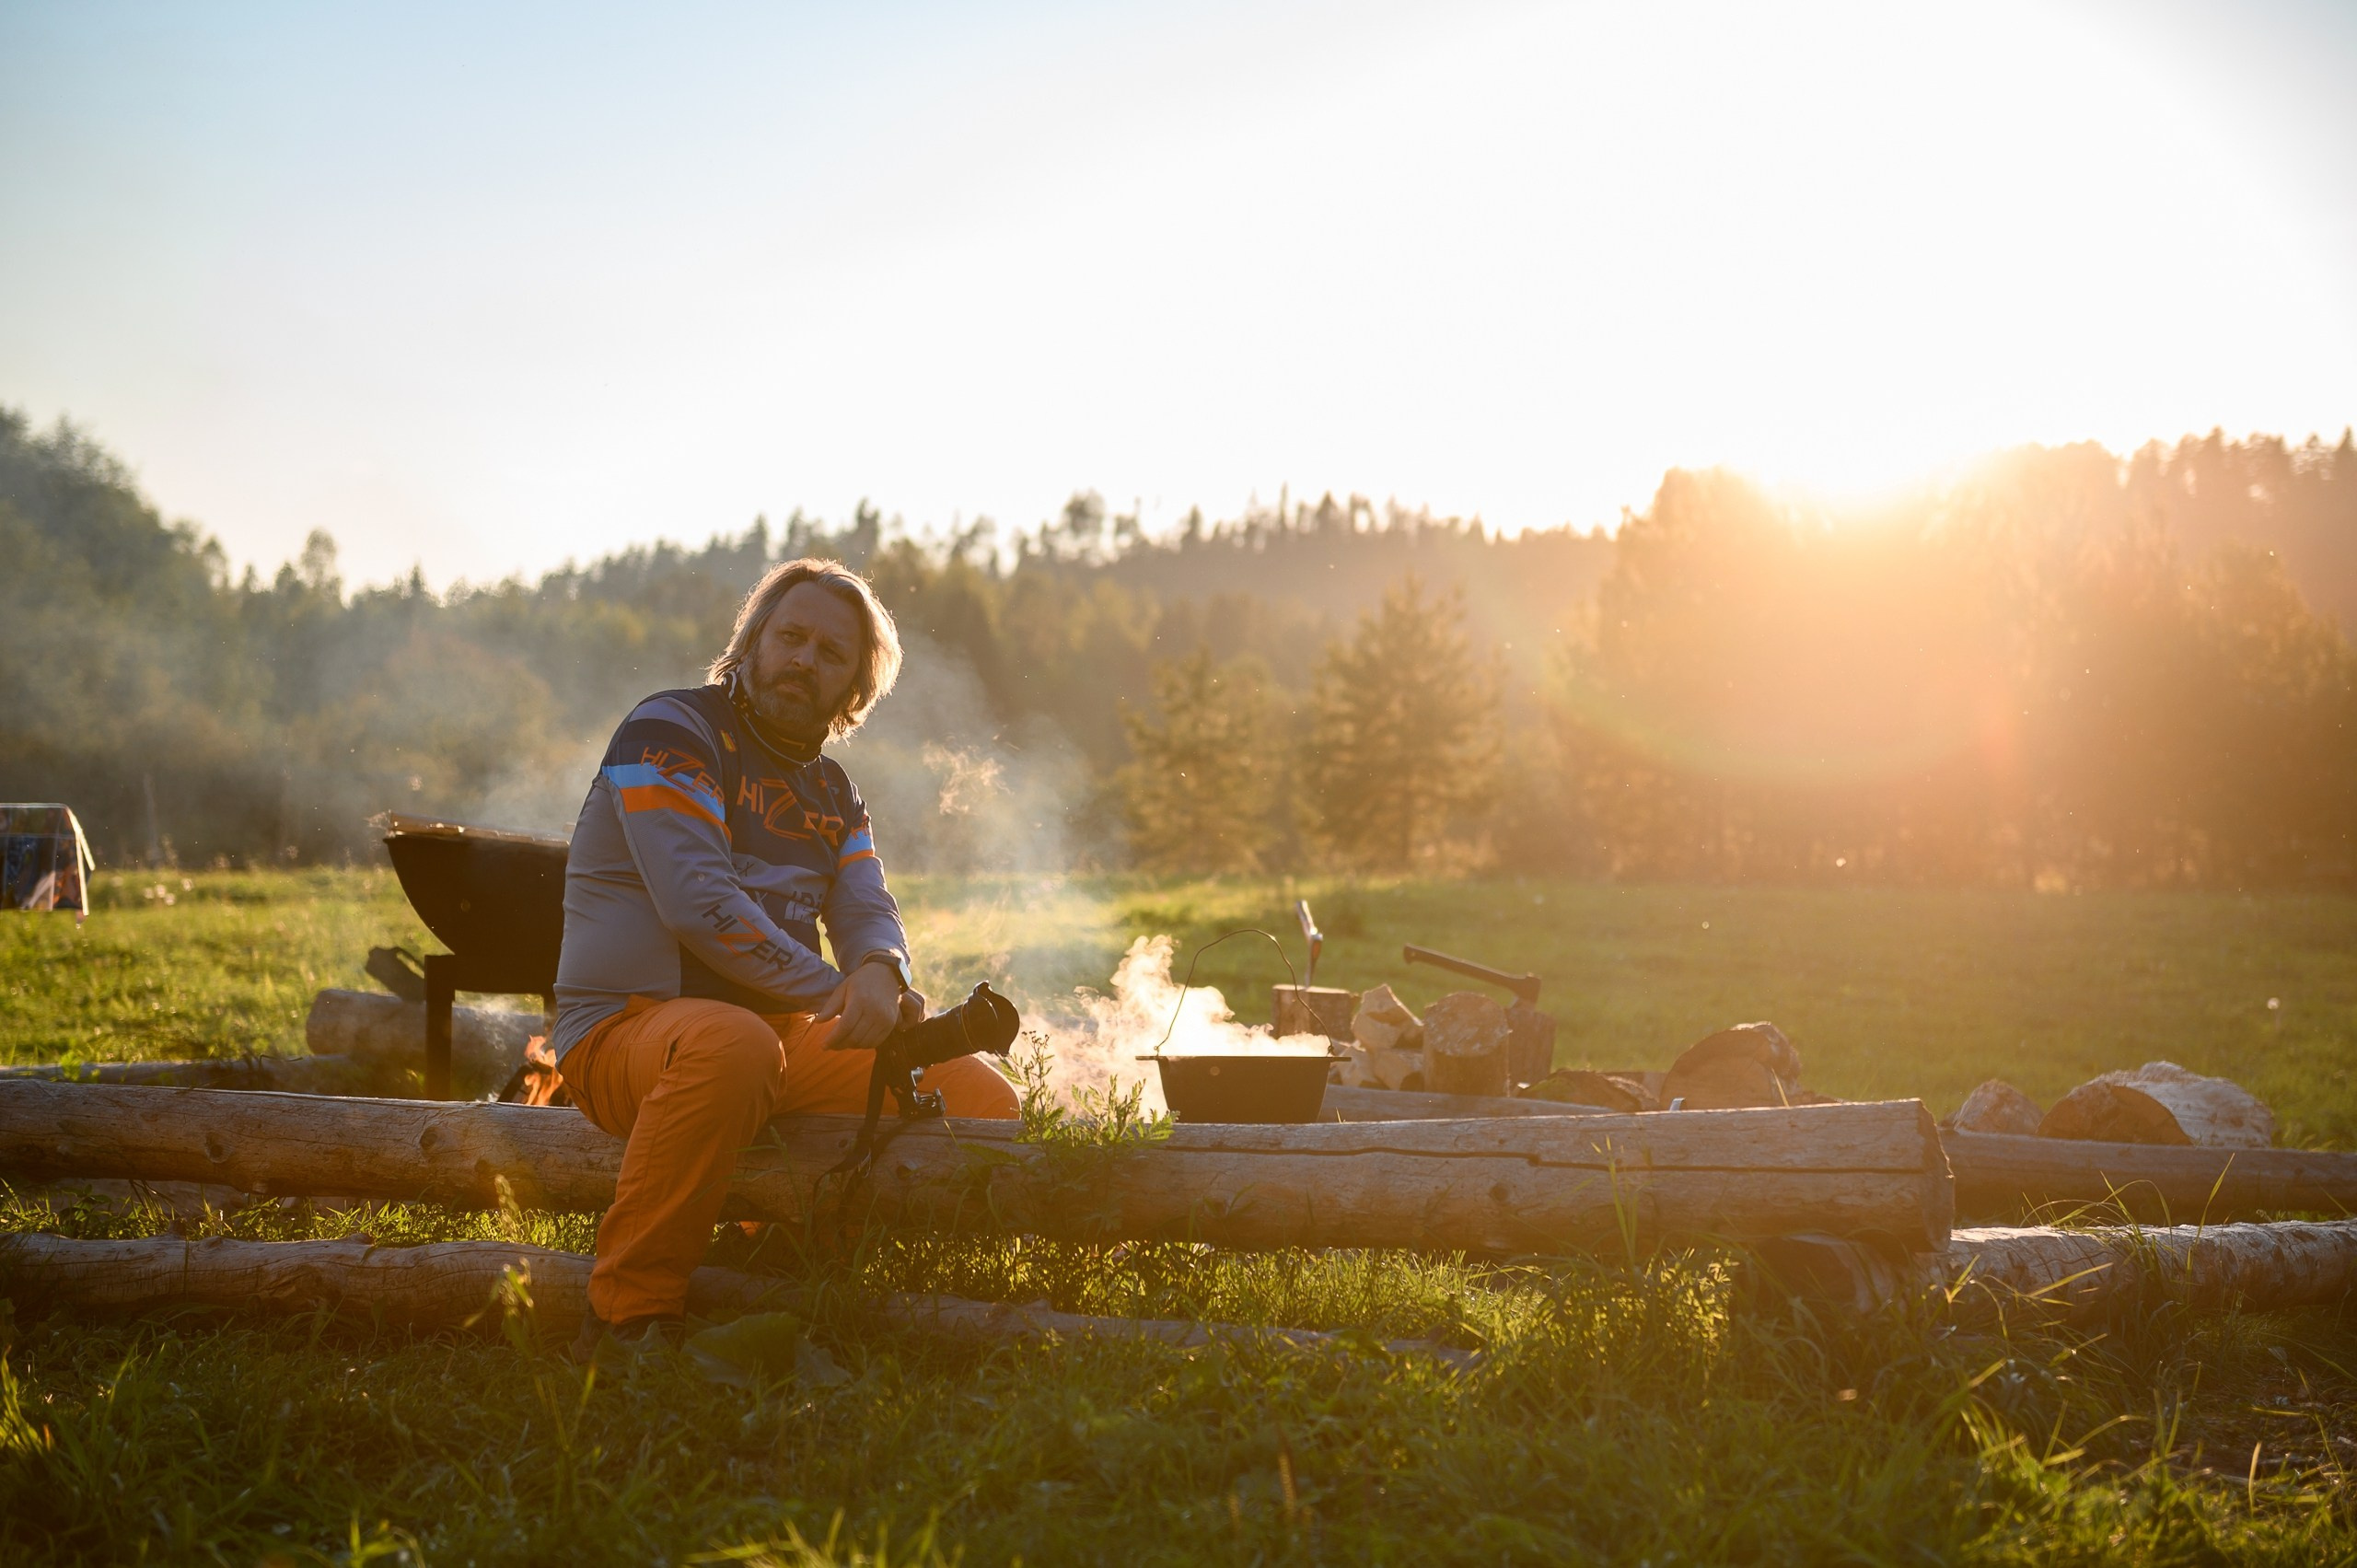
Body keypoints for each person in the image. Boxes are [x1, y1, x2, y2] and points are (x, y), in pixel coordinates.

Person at [550, 557, 1018, 1356]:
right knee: (735, 1046)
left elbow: (868, 906)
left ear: (854, 692)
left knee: (980, 1096)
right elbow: (697, 901)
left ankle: (801, 1261)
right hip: (626, 1032)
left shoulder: (834, 792)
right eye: (791, 636)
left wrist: (882, 972)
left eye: (832, 653)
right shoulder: (668, 730)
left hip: (772, 1042)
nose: (805, 659)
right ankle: (629, 1312)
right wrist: (839, 992)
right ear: (751, 641)